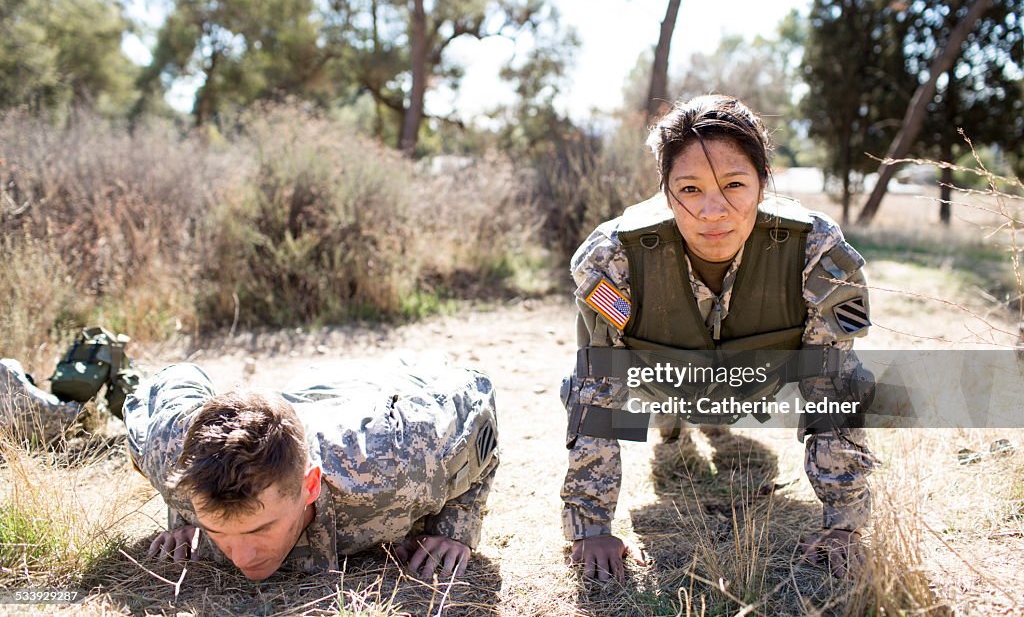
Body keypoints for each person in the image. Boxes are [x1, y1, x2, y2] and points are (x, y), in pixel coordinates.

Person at [560, 94, 876, 582]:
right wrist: (591, 526)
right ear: (666, 192)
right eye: (690, 188)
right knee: (608, 393)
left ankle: (704, 419)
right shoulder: (613, 256)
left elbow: (832, 385)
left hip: (761, 382)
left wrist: (845, 524)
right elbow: (601, 383)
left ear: (763, 183)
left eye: (734, 185)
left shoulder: (816, 250)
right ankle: (675, 420)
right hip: (657, 382)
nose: (714, 211)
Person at [1, 355, 498, 581]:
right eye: (218, 530)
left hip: (376, 389)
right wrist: (184, 517)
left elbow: (477, 396)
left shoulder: (399, 459)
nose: (240, 555)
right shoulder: (170, 453)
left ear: (309, 486)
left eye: (259, 529)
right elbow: (176, 376)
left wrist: (456, 526)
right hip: (284, 400)